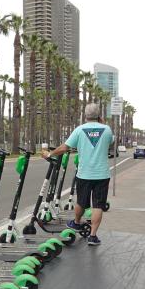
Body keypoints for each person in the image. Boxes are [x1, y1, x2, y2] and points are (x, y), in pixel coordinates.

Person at [42, 104, 113, 246]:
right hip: (102, 174)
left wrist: (50, 154)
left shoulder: (79, 130)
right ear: (99, 116)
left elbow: (65, 147)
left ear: (85, 115)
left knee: (81, 201)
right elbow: (110, 142)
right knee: (98, 205)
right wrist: (103, 124)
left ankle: (76, 222)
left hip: (84, 174)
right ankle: (93, 236)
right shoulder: (107, 130)